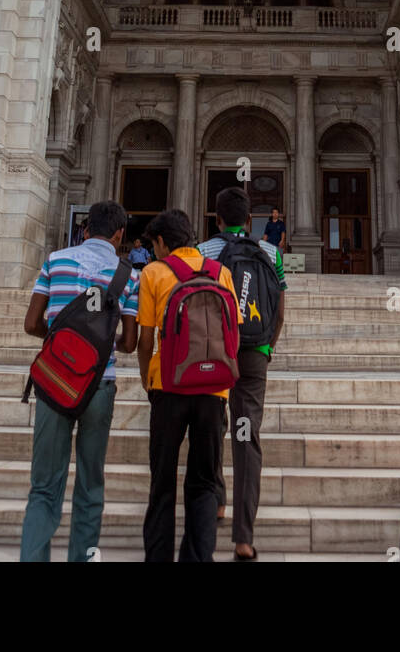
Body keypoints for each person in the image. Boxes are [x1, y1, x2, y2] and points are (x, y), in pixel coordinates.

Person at [19, 200, 139, 562]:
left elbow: (31, 323)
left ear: (85, 230)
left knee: (43, 488)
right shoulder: (128, 274)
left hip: (55, 384)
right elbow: (130, 343)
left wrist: (61, 346)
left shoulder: (56, 260)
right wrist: (98, 348)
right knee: (90, 485)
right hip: (100, 385)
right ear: (119, 234)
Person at [138, 208, 242, 562]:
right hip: (214, 390)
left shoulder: (153, 273)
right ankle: (197, 558)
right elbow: (234, 333)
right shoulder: (221, 272)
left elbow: (145, 337)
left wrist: (145, 375)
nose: (154, 252)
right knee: (203, 482)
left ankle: (158, 557)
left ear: (164, 242)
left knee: (162, 481)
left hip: (168, 386)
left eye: (155, 245)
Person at [198, 186, 286, 562]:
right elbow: (280, 309)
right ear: (252, 221)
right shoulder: (270, 253)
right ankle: (243, 538)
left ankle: (216, 497)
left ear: (216, 219)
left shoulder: (205, 253)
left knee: (214, 423)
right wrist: (267, 346)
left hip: (216, 353)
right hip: (254, 356)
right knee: (247, 437)